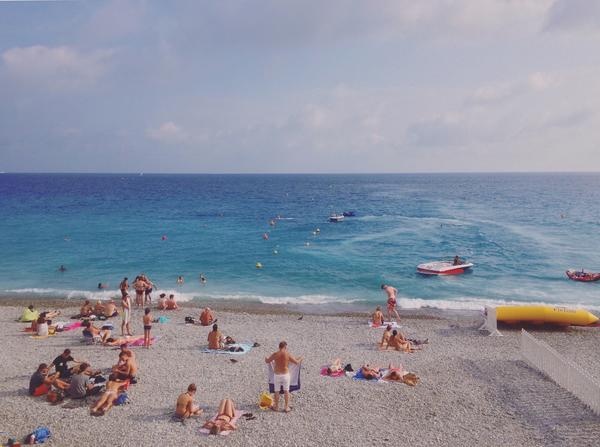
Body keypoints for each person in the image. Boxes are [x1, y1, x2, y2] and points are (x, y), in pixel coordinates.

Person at [265, 341, 302, 413]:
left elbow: (267, 361)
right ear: (285, 347)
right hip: (285, 375)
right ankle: (286, 407)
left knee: (276, 391)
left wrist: (265, 358)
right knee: (286, 391)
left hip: (277, 375)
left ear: (279, 347)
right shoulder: (287, 354)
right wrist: (301, 358)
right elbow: (296, 362)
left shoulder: (275, 354)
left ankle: (276, 407)